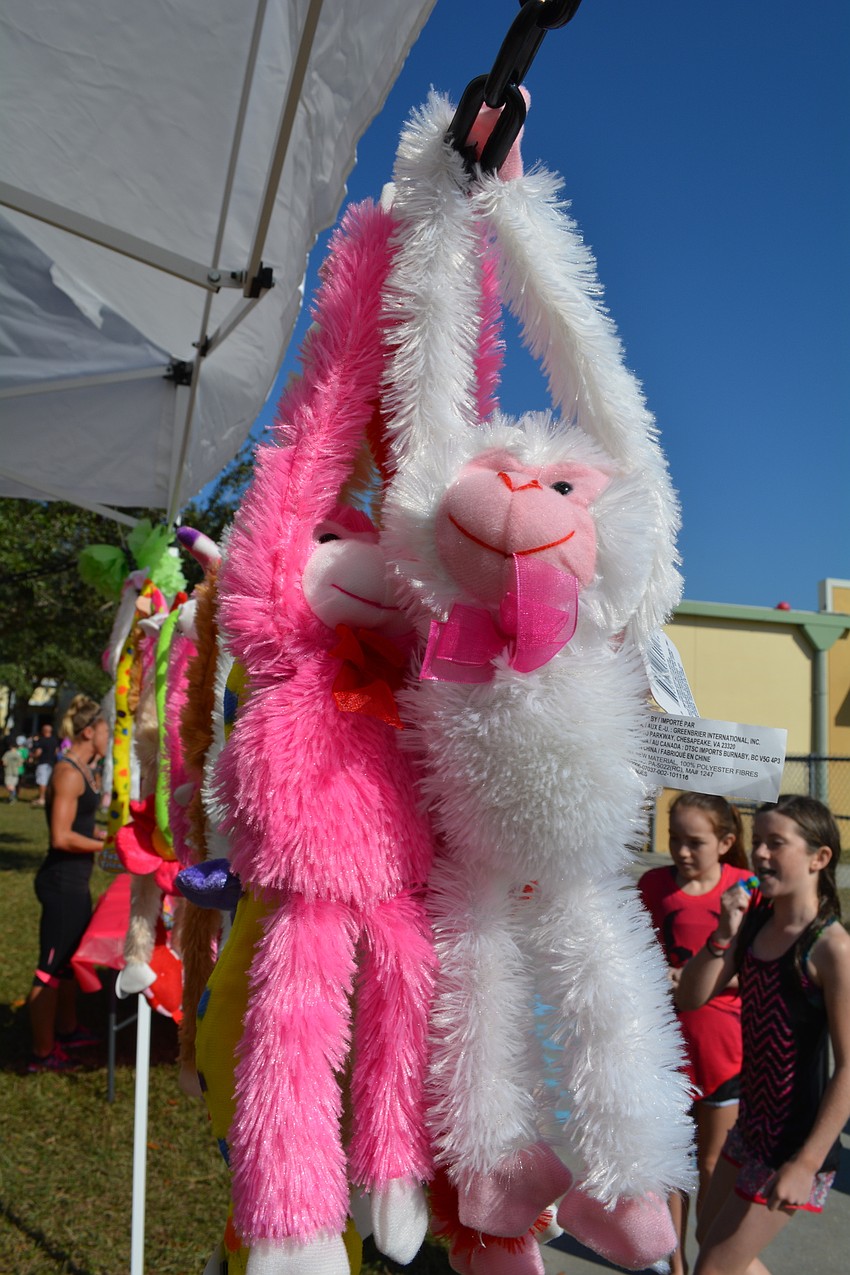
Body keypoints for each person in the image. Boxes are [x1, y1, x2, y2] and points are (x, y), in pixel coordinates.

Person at [678, 794, 850, 1275]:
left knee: (712, 1268)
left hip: (794, 1146)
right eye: (759, 842)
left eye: (777, 843)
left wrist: (806, 1163)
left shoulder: (831, 948)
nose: (760, 855)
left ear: (819, 858)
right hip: (751, 1129)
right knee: (713, 1246)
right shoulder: (754, 920)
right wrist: (723, 933)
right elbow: (691, 997)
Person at [639, 793, 752, 1275]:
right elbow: (633, 948)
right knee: (671, 1166)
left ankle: (711, 1261)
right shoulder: (653, 884)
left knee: (711, 1165)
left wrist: (708, 980)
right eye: (674, 839)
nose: (682, 852)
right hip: (667, 1045)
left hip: (726, 1049)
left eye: (696, 842)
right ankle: (675, 1262)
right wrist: (656, 972)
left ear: (726, 842)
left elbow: (767, 964)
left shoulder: (747, 888)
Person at [26, 694, 109, 1072]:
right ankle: (42, 1054)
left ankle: (68, 1028)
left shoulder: (82, 768)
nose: (110, 736)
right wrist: (105, 846)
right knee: (50, 967)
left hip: (75, 880)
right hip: (60, 882)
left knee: (68, 963)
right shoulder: (68, 773)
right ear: (90, 731)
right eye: (106, 729)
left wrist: (106, 836)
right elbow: (61, 836)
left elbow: (81, 825)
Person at [31, 721, 59, 807]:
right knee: (49, 781)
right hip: (51, 763)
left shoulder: (41, 740)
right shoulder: (54, 740)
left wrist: (32, 756)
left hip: (43, 762)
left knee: (42, 781)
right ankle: (49, 798)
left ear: (44, 731)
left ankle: (42, 798)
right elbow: (56, 752)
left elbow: (38, 752)